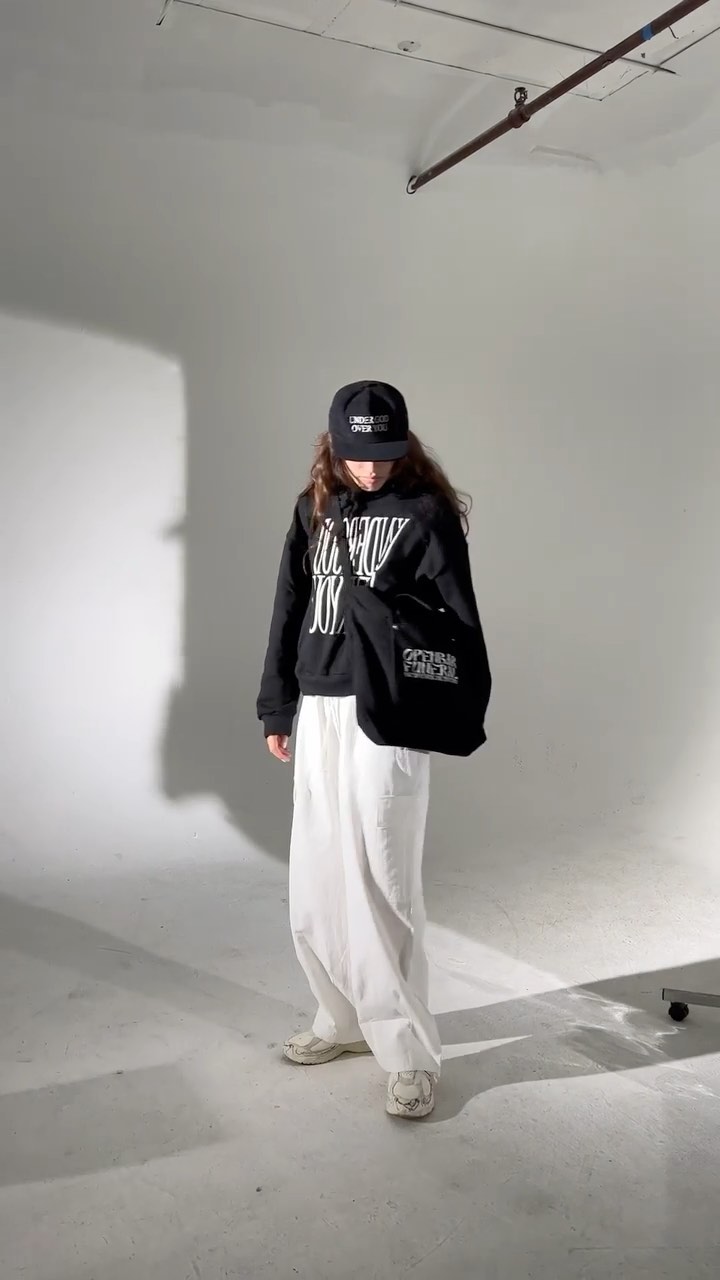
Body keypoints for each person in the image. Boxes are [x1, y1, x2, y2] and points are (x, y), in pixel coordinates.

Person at [257, 380, 490, 1119]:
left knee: (385, 881)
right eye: (357, 455)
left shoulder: (426, 513)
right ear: (334, 446)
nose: (370, 468)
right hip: (318, 703)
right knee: (318, 876)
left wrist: (393, 619)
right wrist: (277, 703)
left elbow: (458, 621)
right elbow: (289, 605)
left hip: (389, 710)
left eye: (384, 453)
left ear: (403, 444)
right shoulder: (313, 508)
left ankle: (408, 1054)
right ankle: (343, 1020)